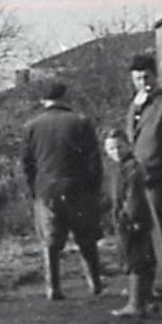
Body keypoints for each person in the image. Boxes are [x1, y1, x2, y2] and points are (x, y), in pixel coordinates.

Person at [21, 80, 104, 301]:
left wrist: (34, 189)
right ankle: (94, 283)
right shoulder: (81, 122)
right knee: (86, 238)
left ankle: (53, 287)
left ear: (43, 101)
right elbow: (94, 161)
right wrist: (95, 188)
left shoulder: (31, 126)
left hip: (46, 189)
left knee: (50, 241)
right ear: (66, 98)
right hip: (78, 188)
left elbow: (27, 163)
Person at [124, 53, 162, 298]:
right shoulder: (134, 103)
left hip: (157, 174)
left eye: (146, 77)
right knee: (140, 229)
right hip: (136, 176)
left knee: (160, 229)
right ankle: (145, 282)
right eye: (137, 78)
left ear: (155, 76)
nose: (142, 82)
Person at [104, 128, 158, 318]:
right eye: (111, 148)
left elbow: (133, 197)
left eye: (119, 146)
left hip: (132, 219)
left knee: (133, 259)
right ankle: (148, 300)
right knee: (142, 257)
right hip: (133, 218)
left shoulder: (131, 168)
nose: (116, 151)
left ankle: (136, 304)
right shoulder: (120, 168)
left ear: (128, 145)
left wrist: (130, 219)